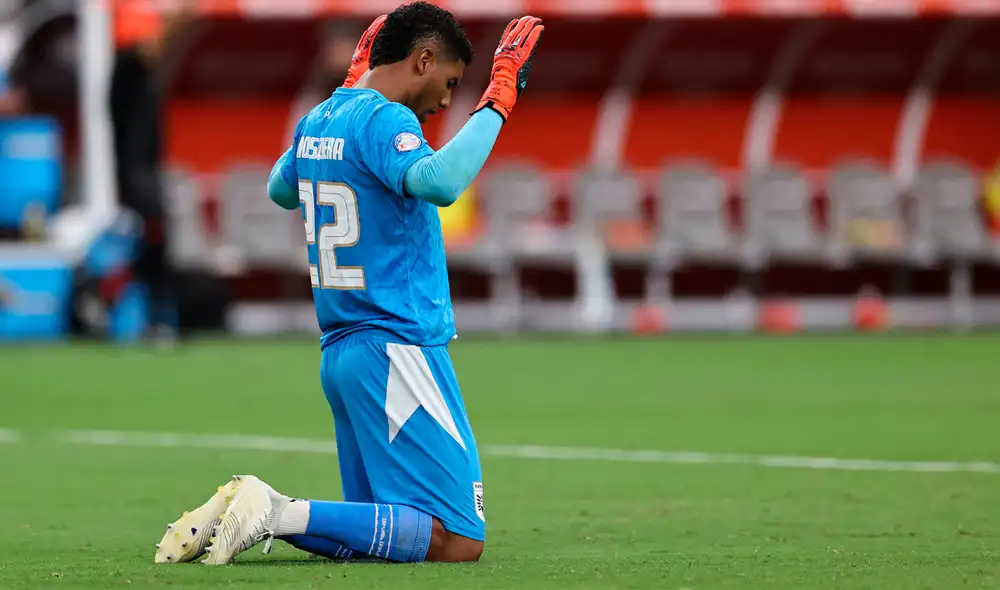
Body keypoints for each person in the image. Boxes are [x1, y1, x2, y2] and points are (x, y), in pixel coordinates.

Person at [154, 1, 543, 565]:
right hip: (396, 346)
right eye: (450, 81)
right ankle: (274, 510)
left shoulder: (321, 118)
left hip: (343, 353)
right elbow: (441, 180)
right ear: (423, 58)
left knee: (382, 536)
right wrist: (499, 97)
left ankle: (252, 518)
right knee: (456, 538)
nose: (445, 101)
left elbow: (279, 188)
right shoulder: (386, 119)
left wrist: (347, 89)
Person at [109, 2, 192, 344]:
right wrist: (179, 25)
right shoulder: (127, 65)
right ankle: (126, 303)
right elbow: (150, 50)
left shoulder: (142, 73)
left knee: (155, 245)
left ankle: (149, 314)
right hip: (135, 171)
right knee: (153, 242)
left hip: (144, 170)